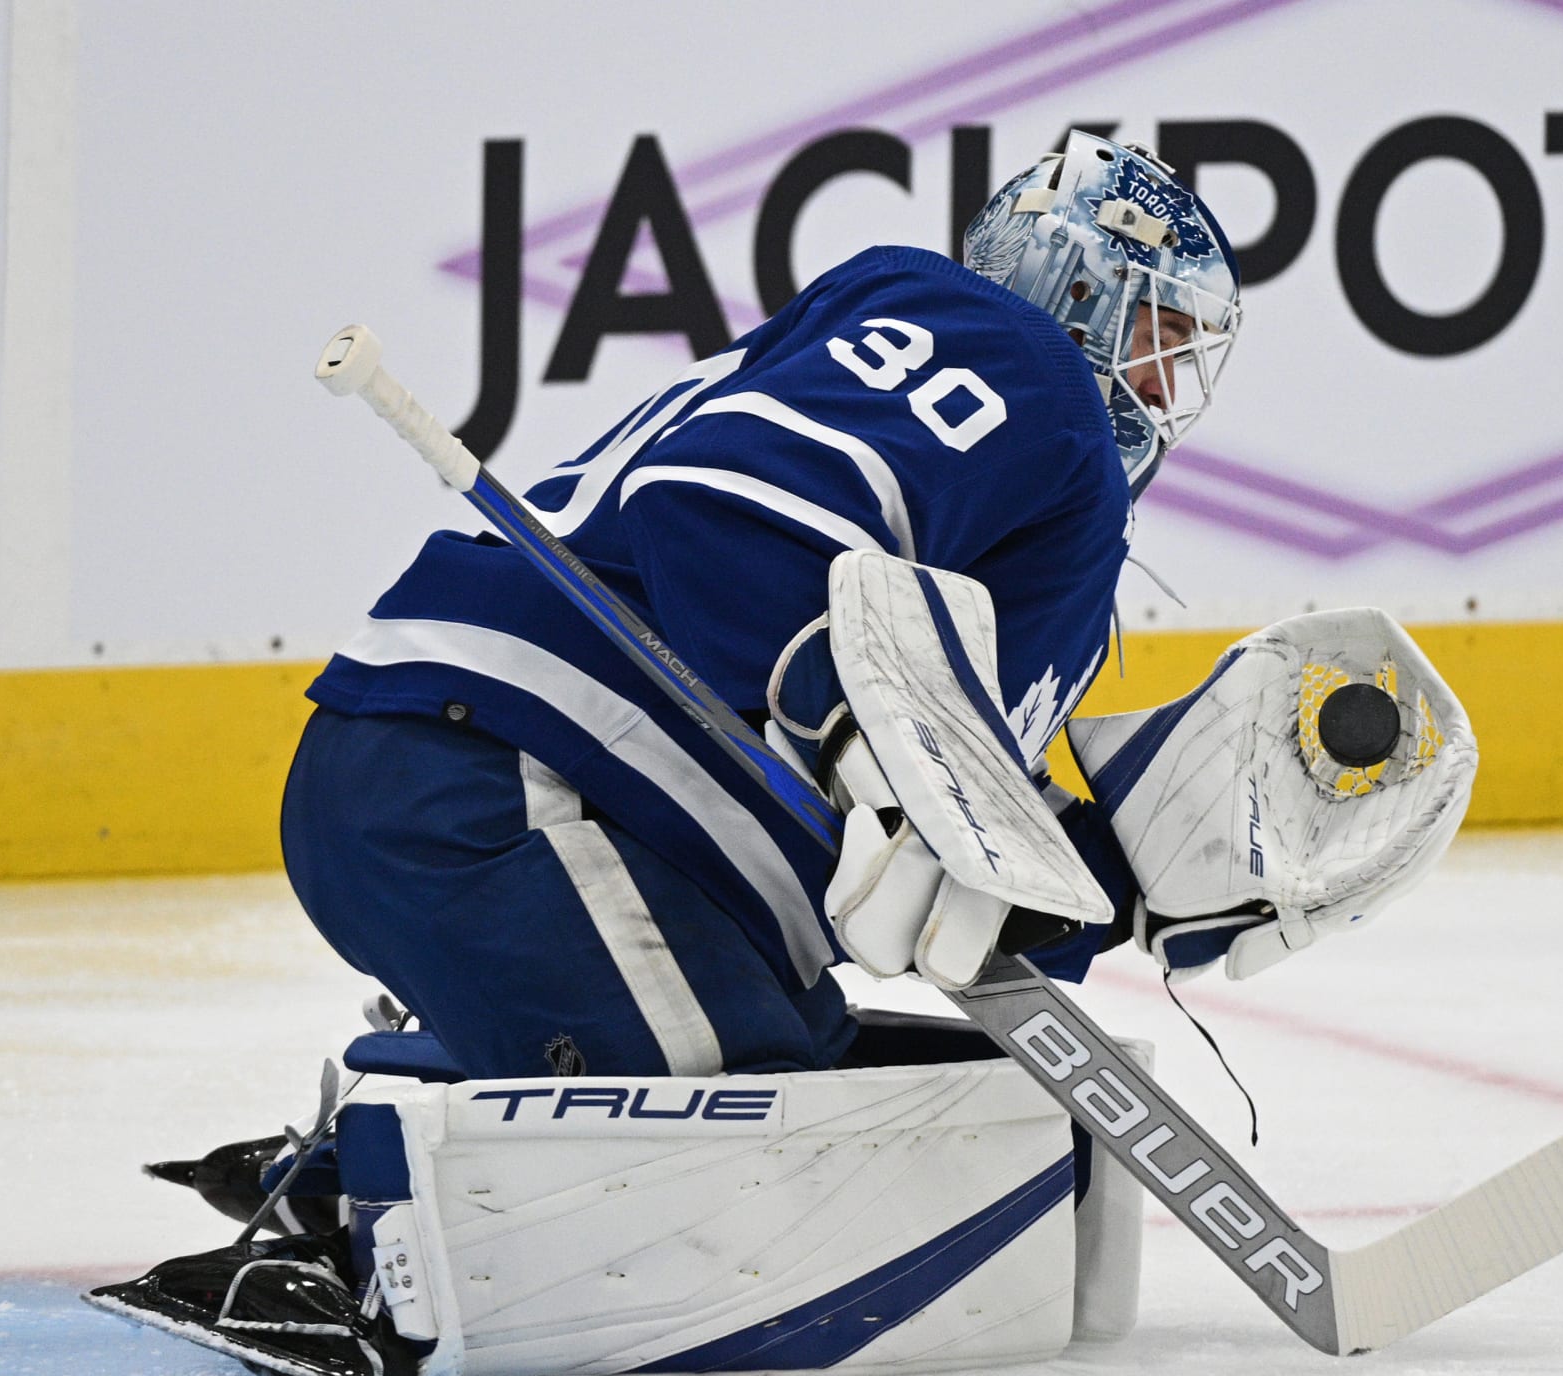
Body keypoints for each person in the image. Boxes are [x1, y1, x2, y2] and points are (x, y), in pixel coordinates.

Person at [274, 130, 1244, 1084]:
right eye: (1157, 337)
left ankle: (366, 1183)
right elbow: (718, 508)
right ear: (1075, 288)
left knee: (860, 1123)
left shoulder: (1028, 493)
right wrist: (866, 749)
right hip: (513, 777)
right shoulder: (1018, 359)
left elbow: (944, 819)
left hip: (570, 815)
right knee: (760, 1153)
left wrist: (1138, 884)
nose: (1163, 387)